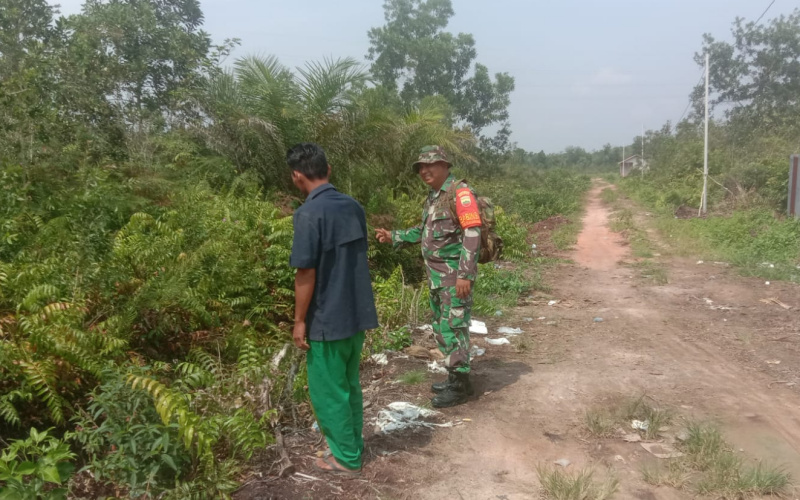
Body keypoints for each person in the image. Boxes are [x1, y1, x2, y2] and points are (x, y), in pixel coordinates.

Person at [287, 142, 378, 476]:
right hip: (355, 317)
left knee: (329, 393)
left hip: (327, 320)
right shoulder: (353, 207)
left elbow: (306, 272)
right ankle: (352, 445)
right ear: (328, 170)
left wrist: (299, 321)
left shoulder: (308, 214)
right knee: (349, 386)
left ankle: (347, 459)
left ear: (297, 176)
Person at [375, 145, 481, 408]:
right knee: (442, 328)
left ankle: (459, 386)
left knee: (453, 327)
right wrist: (394, 236)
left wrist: (465, 274)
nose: (424, 171)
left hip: (454, 279)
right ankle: (458, 379)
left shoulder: (460, 193)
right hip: (436, 278)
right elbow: (423, 232)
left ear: (445, 164)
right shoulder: (434, 197)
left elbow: (472, 233)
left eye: (429, 165)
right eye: (420, 167)